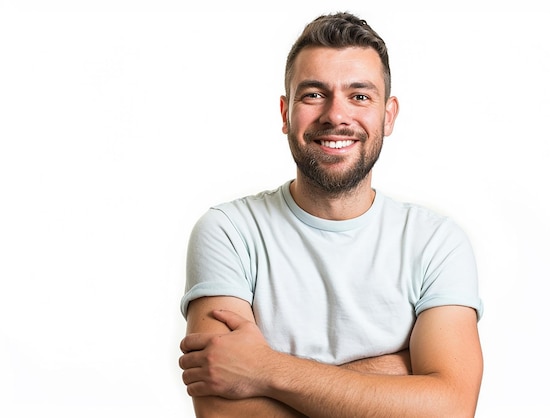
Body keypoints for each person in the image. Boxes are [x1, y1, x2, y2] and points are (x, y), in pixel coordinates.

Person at [179, 11, 484, 418]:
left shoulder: (435, 242)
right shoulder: (230, 232)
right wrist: (402, 371)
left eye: (359, 96)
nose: (336, 116)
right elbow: (223, 412)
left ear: (388, 115)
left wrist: (264, 369)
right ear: (285, 112)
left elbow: (450, 407)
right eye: (313, 94)